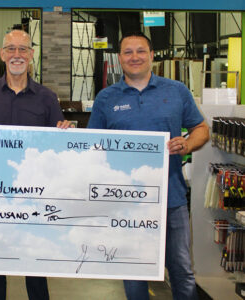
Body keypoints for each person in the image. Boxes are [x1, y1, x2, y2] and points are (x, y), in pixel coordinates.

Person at [87, 31, 209, 300]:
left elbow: (201, 128)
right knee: (134, 272)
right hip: (125, 202)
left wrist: (187, 145)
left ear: (152, 55)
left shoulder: (176, 91)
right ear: (119, 58)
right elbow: (92, 145)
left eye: (141, 51)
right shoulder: (106, 98)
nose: (135, 57)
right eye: (128, 52)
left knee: (181, 271)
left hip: (171, 199)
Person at [0, 30, 72, 300]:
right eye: (11, 49)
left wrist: (64, 132)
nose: (17, 55)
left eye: (23, 49)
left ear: (31, 55)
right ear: (2, 55)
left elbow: (56, 145)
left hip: (33, 194)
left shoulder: (47, 98)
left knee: (35, 264)